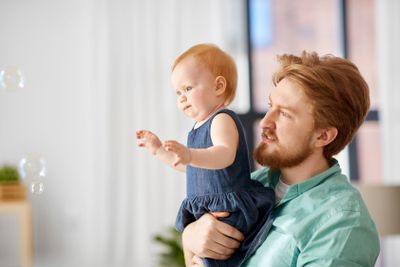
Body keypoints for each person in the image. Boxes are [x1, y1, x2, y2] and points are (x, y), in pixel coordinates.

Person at [182, 51, 381, 267]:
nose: (265, 123)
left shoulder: (342, 223)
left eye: (285, 113)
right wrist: (190, 238)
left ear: (323, 136)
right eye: (270, 107)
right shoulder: (251, 184)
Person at [136, 43, 275, 267]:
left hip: (229, 208)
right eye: (178, 92)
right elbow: (191, 167)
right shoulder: (196, 128)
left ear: (218, 85)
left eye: (188, 88)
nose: (181, 98)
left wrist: (190, 154)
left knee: (217, 256)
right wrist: (158, 150)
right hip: (208, 211)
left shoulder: (221, 119)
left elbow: (223, 155)